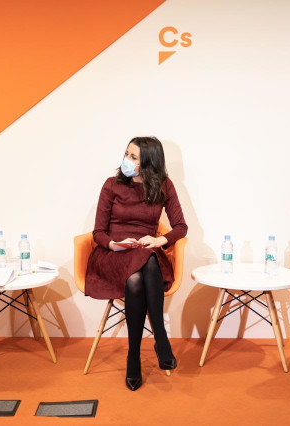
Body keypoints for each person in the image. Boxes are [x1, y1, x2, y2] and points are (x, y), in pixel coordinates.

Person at [85, 136, 188, 391]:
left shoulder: (164, 185)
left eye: (134, 158)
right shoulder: (111, 186)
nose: (126, 161)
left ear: (149, 163)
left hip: (145, 253)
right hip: (112, 255)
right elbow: (98, 232)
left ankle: (133, 357)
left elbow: (181, 227)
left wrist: (158, 240)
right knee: (144, 264)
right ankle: (160, 341)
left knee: (138, 275)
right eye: (127, 154)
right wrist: (114, 244)